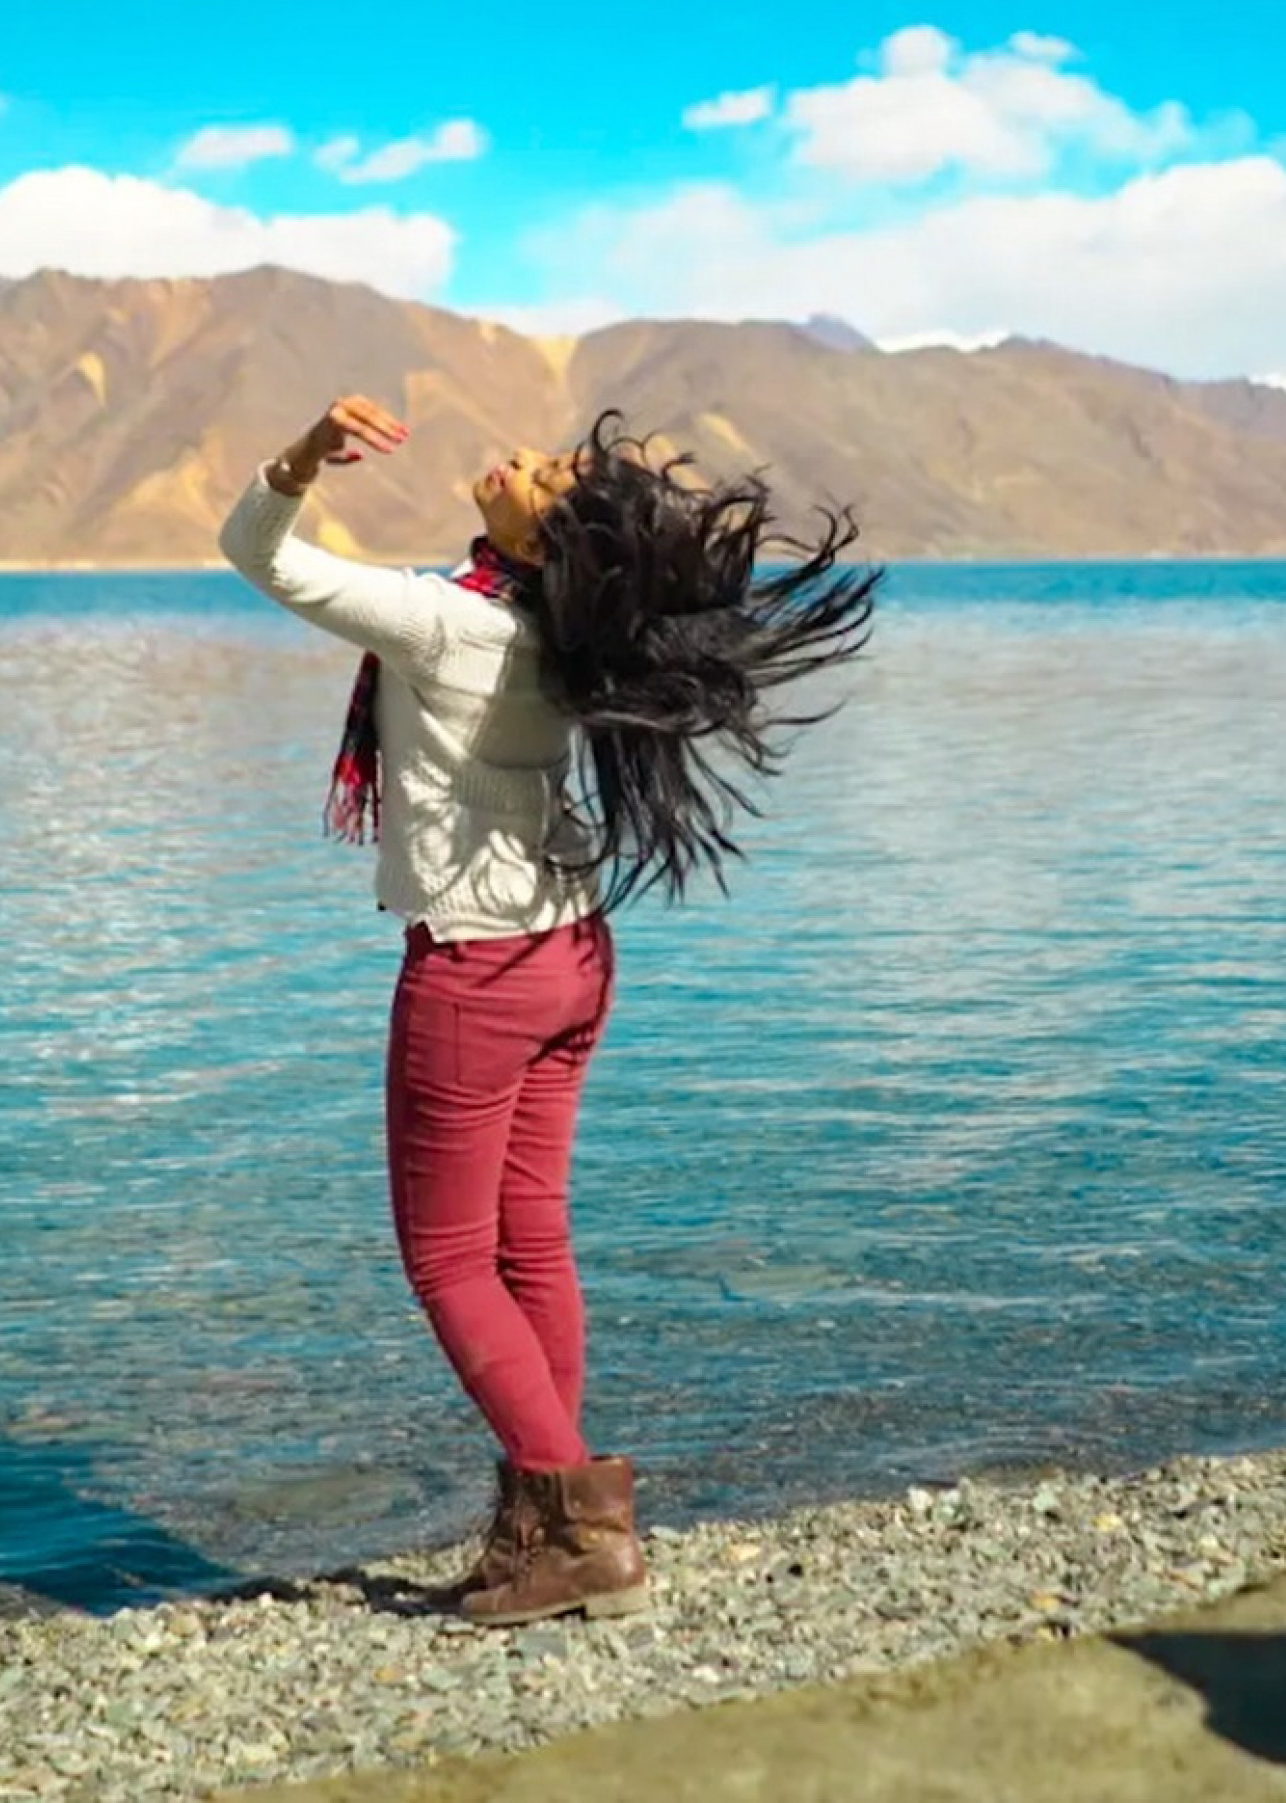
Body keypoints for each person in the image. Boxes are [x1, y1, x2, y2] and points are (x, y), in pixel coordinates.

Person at [219, 396, 879, 1627]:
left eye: (543, 473)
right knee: (529, 1244)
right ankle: (540, 1528)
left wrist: (301, 456)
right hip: (573, 955)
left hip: (476, 968)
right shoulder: (564, 636)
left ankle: (581, 1529)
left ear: (549, 540)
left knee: (449, 1260)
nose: (515, 459)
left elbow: (255, 551)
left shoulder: (445, 622)